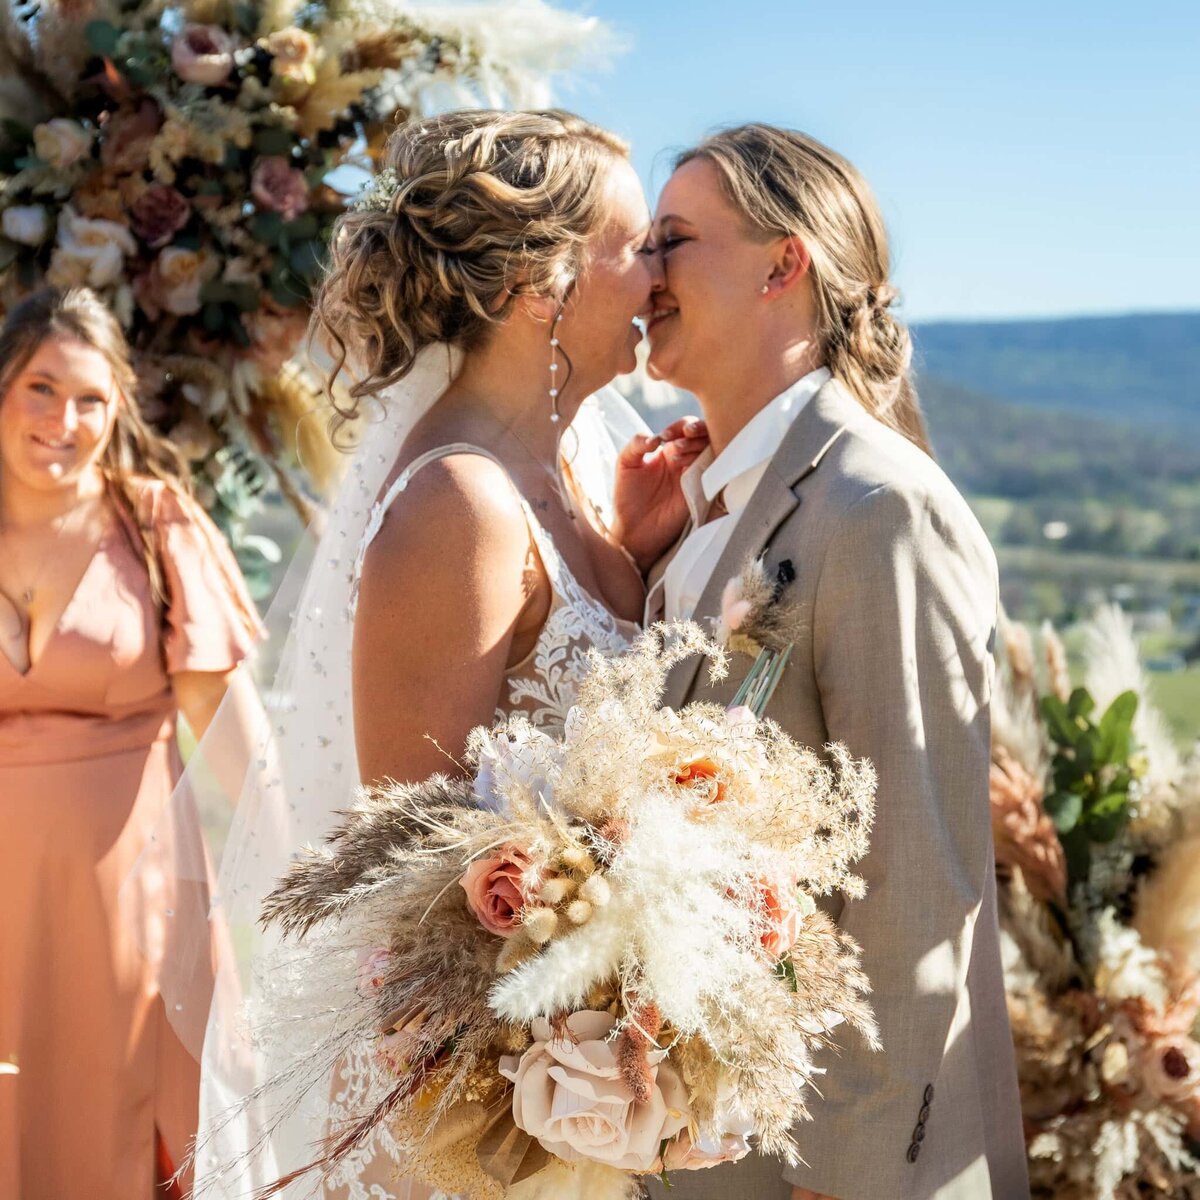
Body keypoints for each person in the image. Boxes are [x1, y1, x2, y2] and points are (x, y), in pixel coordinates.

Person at [186, 109, 705, 1199]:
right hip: (488, 1097)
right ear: (541, 285)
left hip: (575, 1059)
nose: (658, 275)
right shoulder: (457, 503)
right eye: (636, 245)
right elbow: (423, 864)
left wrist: (636, 563)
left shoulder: (556, 480)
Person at [642, 126, 1030, 1200]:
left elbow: (917, 880)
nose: (643, 272)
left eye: (672, 238)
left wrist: (845, 1179)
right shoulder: (690, 517)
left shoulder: (877, 507)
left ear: (783, 264)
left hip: (803, 1168)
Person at [0, 287, 262, 1198]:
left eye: (90, 400)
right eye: (41, 388)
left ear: (119, 410)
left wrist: (301, 863)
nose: (62, 421)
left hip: (130, 907)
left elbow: (228, 729)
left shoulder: (152, 527)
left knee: (117, 1127)